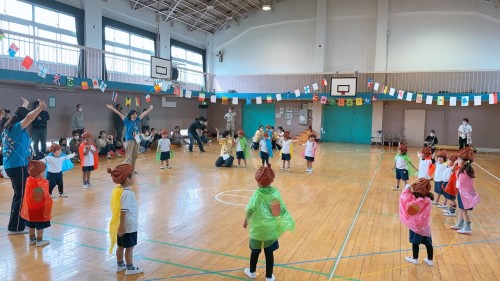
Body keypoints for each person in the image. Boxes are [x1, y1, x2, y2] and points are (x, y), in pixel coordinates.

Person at [243, 164, 295, 281]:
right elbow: (278, 212)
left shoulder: (257, 194)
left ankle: (252, 272)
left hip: (257, 230)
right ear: (271, 181)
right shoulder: (275, 193)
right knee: (269, 253)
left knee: (255, 251)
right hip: (270, 230)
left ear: (258, 181)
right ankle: (269, 276)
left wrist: (245, 222)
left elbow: (250, 210)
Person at [2, 97, 47, 234]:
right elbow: (28, 117)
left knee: (23, 195)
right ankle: (15, 227)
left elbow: (22, 115)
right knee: (20, 196)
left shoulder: (10, 128)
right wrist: (40, 108)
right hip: (17, 167)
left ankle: (21, 223)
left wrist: (24, 105)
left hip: (17, 165)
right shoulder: (15, 129)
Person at [107, 164, 143, 275]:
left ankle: (120, 265)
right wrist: (122, 227)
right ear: (127, 178)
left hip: (121, 224)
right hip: (127, 226)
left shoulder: (118, 190)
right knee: (129, 247)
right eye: (133, 175)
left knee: (121, 246)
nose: (135, 178)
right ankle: (130, 268)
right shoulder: (128, 193)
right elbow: (124, 211)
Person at [106, 104, 154, 173]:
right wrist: (112, 108)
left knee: (134, 156)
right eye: (134, 114)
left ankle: (132, 170)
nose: (135, 115)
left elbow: (143, 114)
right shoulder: (127, 120)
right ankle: (127, 171)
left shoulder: (137, 120)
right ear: (130, 115)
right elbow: (119, 113)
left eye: (136, 114)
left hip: (137, 140)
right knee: (129, 157)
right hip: (130, 140)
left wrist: (149, 109)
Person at [399, 178, 434, 266]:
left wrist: (411, 183)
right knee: (428, 242)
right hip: (425, 226)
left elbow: (404, 194)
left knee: (415, 242)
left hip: (415, 226)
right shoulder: (428, 200)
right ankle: (430, 260)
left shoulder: (412, 200)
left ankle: (415, 258)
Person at [20, 160, 52, 246]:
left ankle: (32, 239)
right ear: (40, 173)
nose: (44, 173)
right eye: (43, 171)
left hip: (30, 207)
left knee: (31, 225)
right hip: (40, 208)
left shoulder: (28, 180)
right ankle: (39, 240)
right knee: (40, 225)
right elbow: (45, 196)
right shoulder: (43, 182)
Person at [451, 147, 480, 234]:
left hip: (464, 195)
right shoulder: (466, 170)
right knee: (461, 209)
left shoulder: (463, 173)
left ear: (464, 162)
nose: (457, 161)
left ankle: (467, 227)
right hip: (463, 193)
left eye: (459, 159)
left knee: (464, 211)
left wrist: (456, 170)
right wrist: (456, 166)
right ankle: (460, 224)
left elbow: (459, 182)